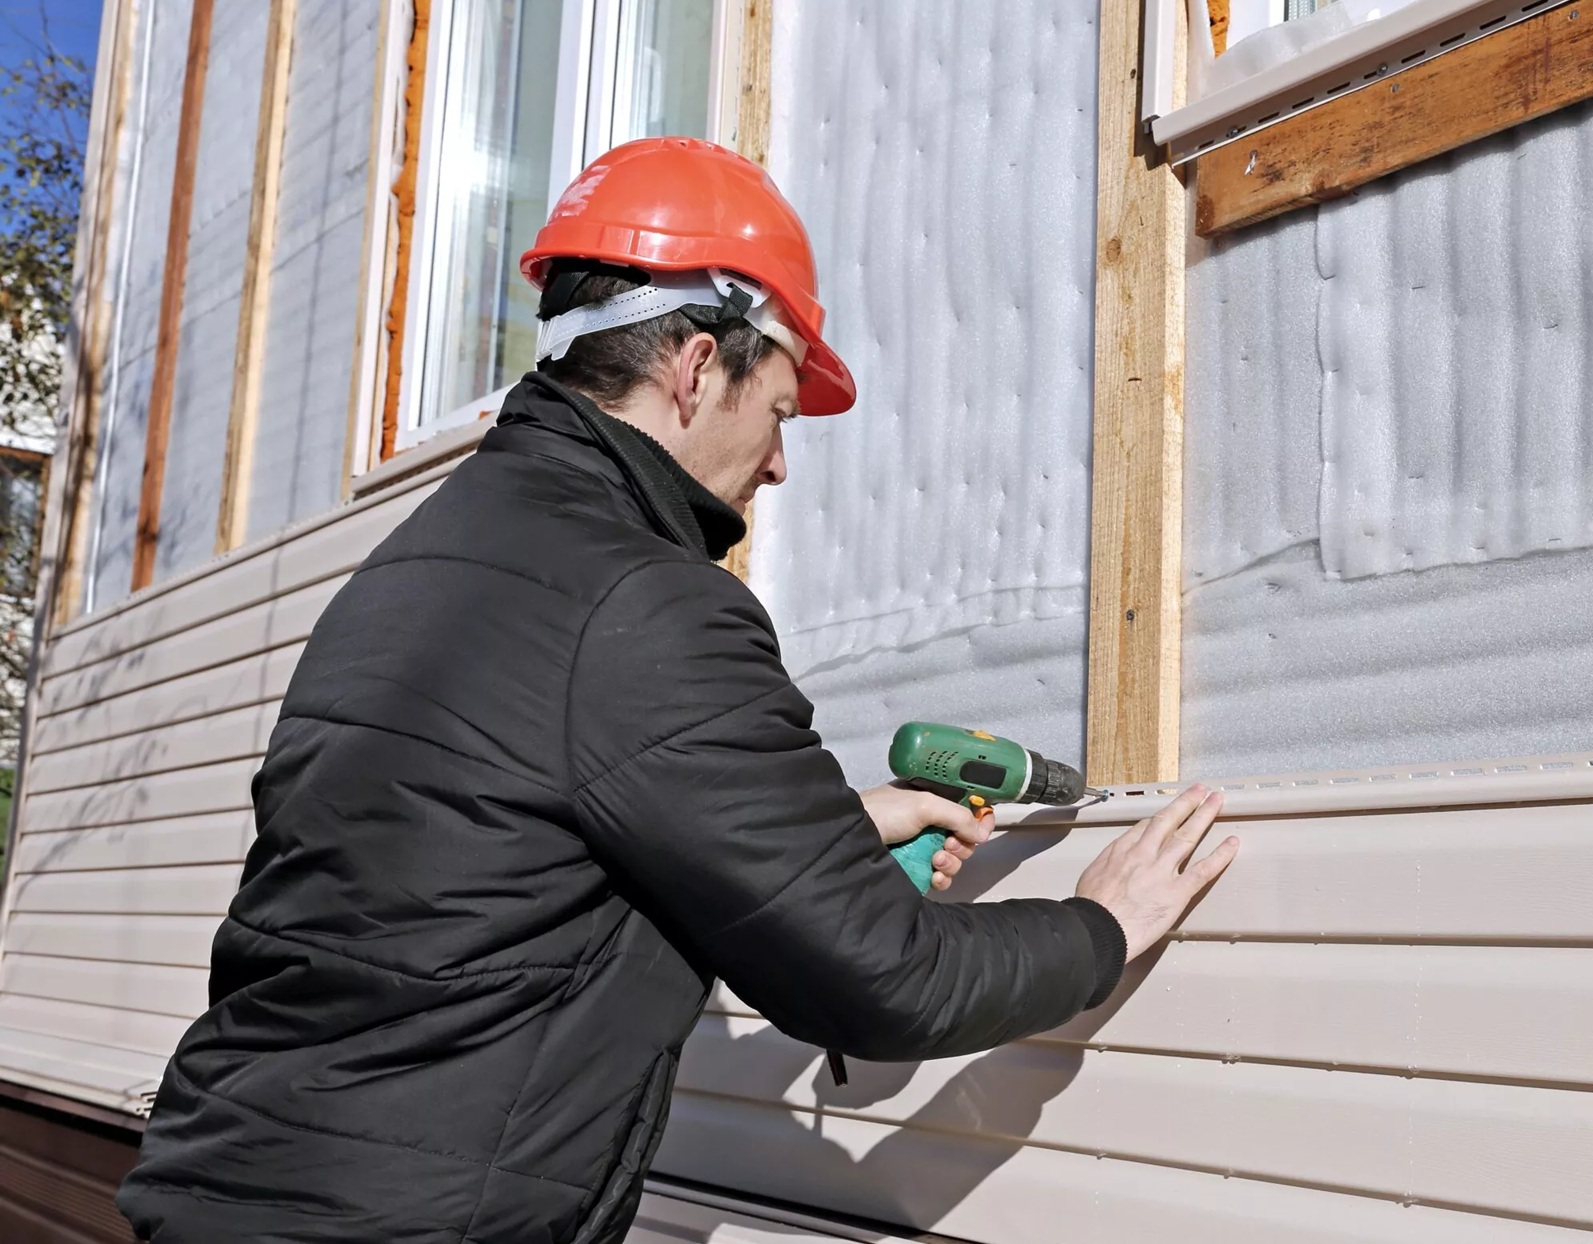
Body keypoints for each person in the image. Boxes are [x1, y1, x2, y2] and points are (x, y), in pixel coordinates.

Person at [117, 138, 1237, 1243]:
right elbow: (887, 981)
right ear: (697, 367)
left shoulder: (419, 566)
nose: (780, 462)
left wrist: (833, 831)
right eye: (781, 411)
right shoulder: (644, 600)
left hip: (226, 1187)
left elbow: (489, 855)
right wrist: (1101, 923)